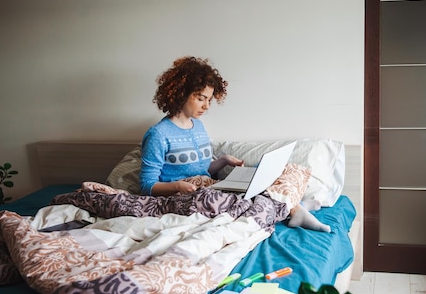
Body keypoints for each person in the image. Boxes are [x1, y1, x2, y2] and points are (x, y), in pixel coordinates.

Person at [140, 56, 330, 232]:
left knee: (289, 170)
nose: (206, 106)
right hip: (188, 196)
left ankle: (295, 207)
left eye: (209, 100)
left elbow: (201, 168)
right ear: (181, 93)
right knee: (240, 200)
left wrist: (223, 161)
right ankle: (296, 207)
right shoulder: (158, 135)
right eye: (200, 98)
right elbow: (147, 185)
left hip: (209, 186)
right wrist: (177, 186)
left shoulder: (197, 126)